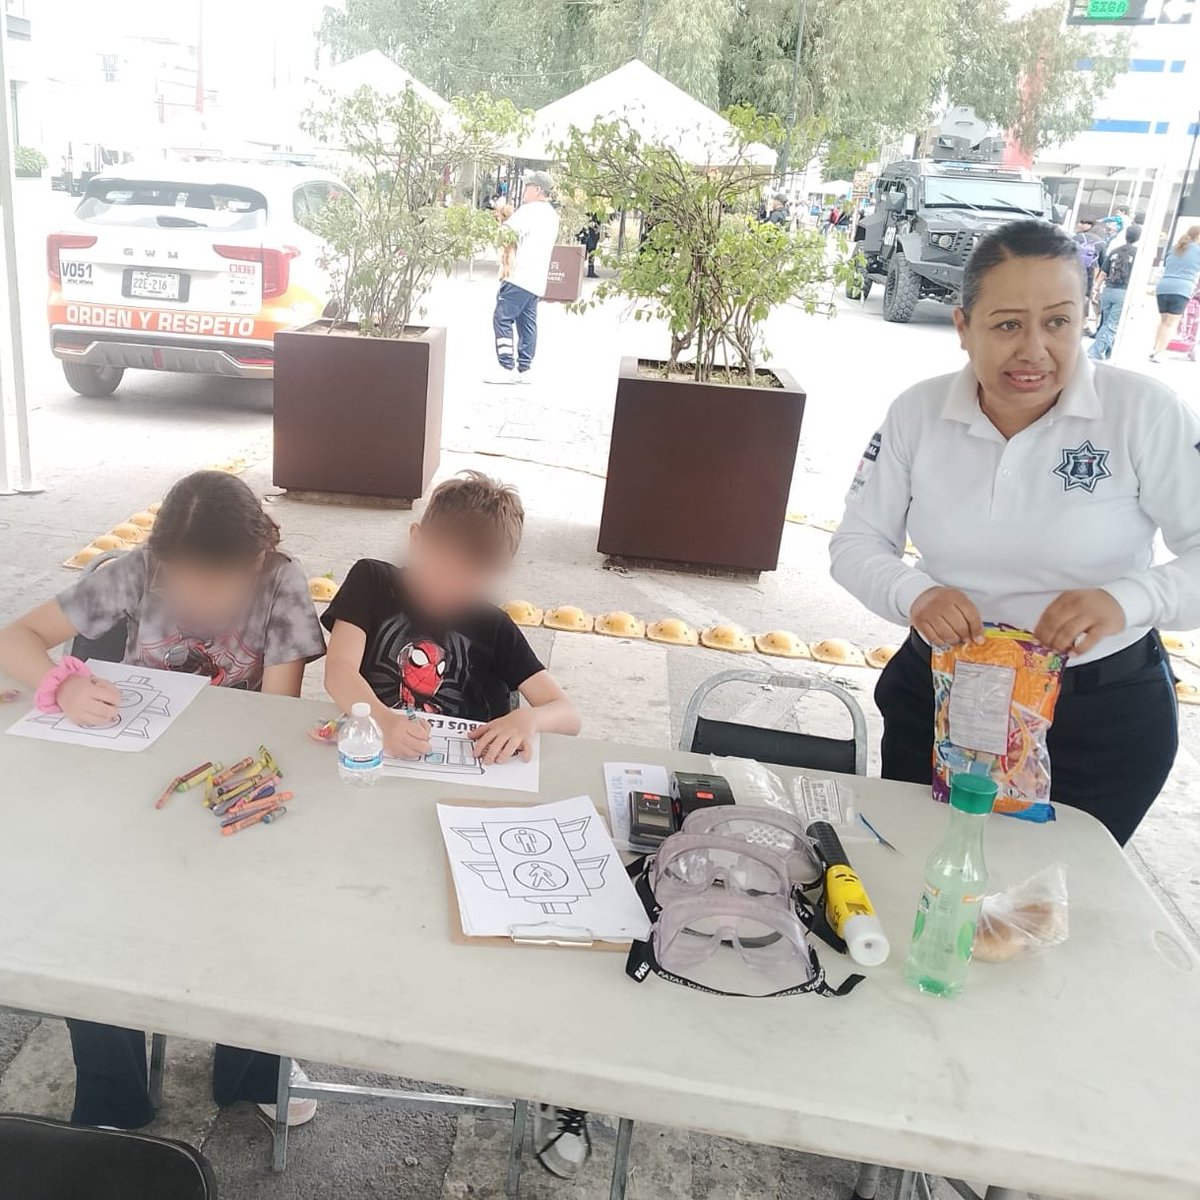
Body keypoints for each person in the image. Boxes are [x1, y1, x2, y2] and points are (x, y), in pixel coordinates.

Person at [830, 219, 1200, 846]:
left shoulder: (1143, 411)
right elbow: (855, 544)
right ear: (961, 327)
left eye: (1058, 321)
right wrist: (914, 594)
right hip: (945, 696)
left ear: (1085, 316)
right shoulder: (918, 414)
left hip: (1098, 715)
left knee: (1053, 910)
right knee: (919, 876)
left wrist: (1125, 600)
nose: (1034, 349)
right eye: (1006, 324)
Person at [0, 470, 328, 1129]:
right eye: (183, 581)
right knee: (88, 909)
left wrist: (237, 783)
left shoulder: (281, 584)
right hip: (125, 772)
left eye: (217, 584)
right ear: (159, 561)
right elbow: (15, 638)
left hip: (222, 774)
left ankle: (251, 1069)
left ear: (257, 560)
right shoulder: (131, 572)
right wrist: (60, 686)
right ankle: (113, 1096)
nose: (198, 599)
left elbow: (275, 717)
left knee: (259, 899)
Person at [320, 471, 588, 1176]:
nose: (449, 590)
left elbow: (568, 711)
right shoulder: (373, 582)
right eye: (440, 568)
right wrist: (376, 716)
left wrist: (529, 716)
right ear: (415, 541)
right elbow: (340, 671)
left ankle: (516, 1060)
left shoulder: (493, 627)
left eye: (471, 579)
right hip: (365, 785)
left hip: (453, 809)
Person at [485, 170, 560, 385]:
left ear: (537, 190)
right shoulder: (551, 215)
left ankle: (506, 366)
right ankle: (525, 368)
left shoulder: (530, 211)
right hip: (537, 279)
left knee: (502, 318)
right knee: (527, 323)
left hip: (519, 276)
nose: (524, 190)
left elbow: (505, 233)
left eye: (527, 187)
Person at [1089, 223, 1140, 361]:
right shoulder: (1138, 254)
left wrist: (1096, 289)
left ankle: (1108, 351)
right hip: (1123, 292)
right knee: (1112, 324)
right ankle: (1096, 350)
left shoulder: (1115, 251)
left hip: (1108, 290)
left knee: (1107, 322)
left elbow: (1103, 272)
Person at [1151, 224, 1200, 362]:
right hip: (1182, 288)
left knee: (1163, 322)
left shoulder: (1175, 248)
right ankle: (1160, 353)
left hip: (1163, 286)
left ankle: (1154, 349)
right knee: (1171, 324)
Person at [1073, 218, 1103, 323]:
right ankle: (1084, 323)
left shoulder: (1076, 237)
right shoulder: (1100, 242)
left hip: (1073, 270)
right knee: (1086, 296)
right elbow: (1103, 263)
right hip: (1089, 272)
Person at [577, 213, 603, 278]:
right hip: (590, 236)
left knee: (590, 254)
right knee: (589, 253)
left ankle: (590, 272)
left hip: (591, 235)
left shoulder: (595, 213)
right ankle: (589, 272)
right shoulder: (592, 214)